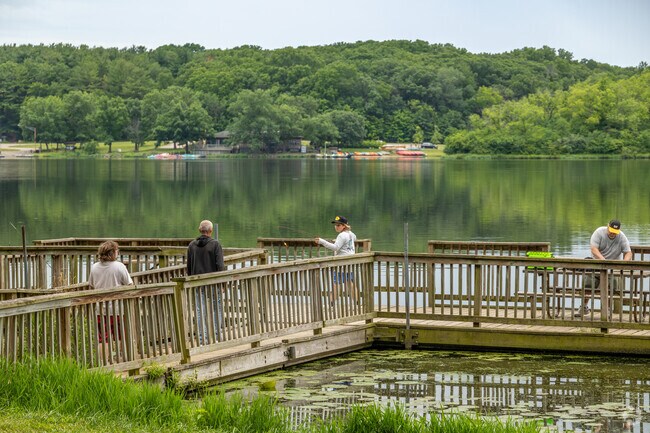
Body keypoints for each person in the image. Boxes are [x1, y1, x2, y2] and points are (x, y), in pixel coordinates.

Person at [575, 219, 632, 316]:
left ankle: (607, 309)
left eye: (615, 232)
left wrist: (624, 262)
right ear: (607, 226)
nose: (612, 234)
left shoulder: (622, 237)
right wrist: (603, 260)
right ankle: (584, 307)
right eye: (611, 231)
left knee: (611, 286)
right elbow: (593, 248)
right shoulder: (599, 232)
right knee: (588, 284)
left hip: (613, 267)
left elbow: (628, 252)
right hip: (596, 264)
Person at [187, 220, 225, 343]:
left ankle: (202, 338)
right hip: (214, 283)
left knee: (199, 310)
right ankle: (215, 337)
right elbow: (220, 265)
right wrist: (223, 283)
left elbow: (188, 266)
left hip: (197, 284)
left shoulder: (192, 245)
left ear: (200, 230)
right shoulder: (215, 245)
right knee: (217, 309)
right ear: (211, 231)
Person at [88, 240, 133, 343]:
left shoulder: (94, 267)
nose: (118, 252)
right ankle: (122, 358)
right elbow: (129, 285)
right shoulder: (119, 266)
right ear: (112, 252)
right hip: (117, 310)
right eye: (117, 250)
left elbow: (91, 286)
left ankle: (104, 359)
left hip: (100, 310)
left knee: (103, 340)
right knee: (121, 337)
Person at [314, 216, 358, 306]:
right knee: (350, 283)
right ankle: (357, 303)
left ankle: (331, 304)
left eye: (339, 225)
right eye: (335, 225)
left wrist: (322, 241)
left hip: (341, 263)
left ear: (344, 226)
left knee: (336, 284)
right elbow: (353, 240)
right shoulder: (351, 234)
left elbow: (335, 247)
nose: (336, 227)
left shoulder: (341, 235)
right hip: (350, 262)